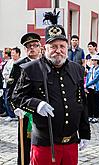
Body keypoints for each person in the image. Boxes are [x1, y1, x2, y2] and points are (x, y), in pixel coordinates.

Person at [11, 24, 90, 165]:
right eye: (53, 46)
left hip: (71, 142)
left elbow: (81, 102)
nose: (58, 50)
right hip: (44, 144)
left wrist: (84, 133)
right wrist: (37, 104)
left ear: (67, 48)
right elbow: (16, 97)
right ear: (45, 48)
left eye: (62, 46)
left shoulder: (77, 69)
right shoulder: (31, 69)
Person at [9, 32, 41, 165]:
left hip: (42, 111)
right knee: (24, 145)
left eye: (34, 45)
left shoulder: (45, 63)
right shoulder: (19, 65)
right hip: (25, 112)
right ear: (25, 49)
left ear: (40, 47)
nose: (32, 48)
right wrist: (16, 108)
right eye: (28, 46)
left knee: (42, 145)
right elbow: (12, 92)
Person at [2, 47, 21, 121]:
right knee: (7, 99)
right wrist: (7, 77)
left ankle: (18, 114)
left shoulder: (22, 62)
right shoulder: (9, 61)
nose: (12, 55)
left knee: (17, 99)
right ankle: (11, 115)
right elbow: (4, 71)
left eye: (13, 53)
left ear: (18, 53)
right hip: (8, 83)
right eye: (11, 53)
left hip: (18, 84)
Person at [85, 55, 99, 123]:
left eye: (94, 60)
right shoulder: (91, 68)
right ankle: (90, 115)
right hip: (89, 88)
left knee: (95, 103)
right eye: (92, 60)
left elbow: (95, 80)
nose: (93, 61)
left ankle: (95, 116)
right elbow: (87, 77)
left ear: (97, 61)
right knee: (89, 102)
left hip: (95, 88)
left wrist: (86, 85)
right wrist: (86, 86)